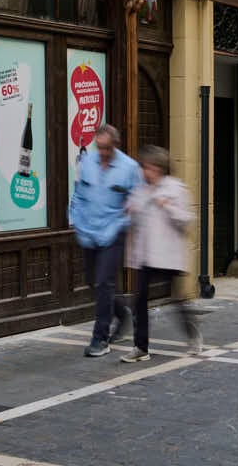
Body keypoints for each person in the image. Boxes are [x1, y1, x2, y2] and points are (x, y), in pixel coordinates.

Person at [121, 145, 202, 363]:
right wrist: (130, 212)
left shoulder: (175, 188)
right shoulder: (140, 190)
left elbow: (186, 221)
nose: (143, 171)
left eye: (146, 167)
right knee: (139, 301)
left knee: (176, 300)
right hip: (146, 255)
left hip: (167, 255)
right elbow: (132, 219)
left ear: (156, 168)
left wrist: (167, 206)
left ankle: (193, 335)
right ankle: (141, 347)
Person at [69, 124, 141, 357]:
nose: (102, 153)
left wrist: (127, 218)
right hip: (88, 232)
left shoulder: (130, 168)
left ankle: (100, 339)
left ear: (116, 146)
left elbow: (138, 199)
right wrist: (74, 218)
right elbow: (78, 193)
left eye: (107, 148)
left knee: (103, 282)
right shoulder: (86, 162)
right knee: (93, 281)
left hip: (113, 232)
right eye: (99, 148)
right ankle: (122, 313)